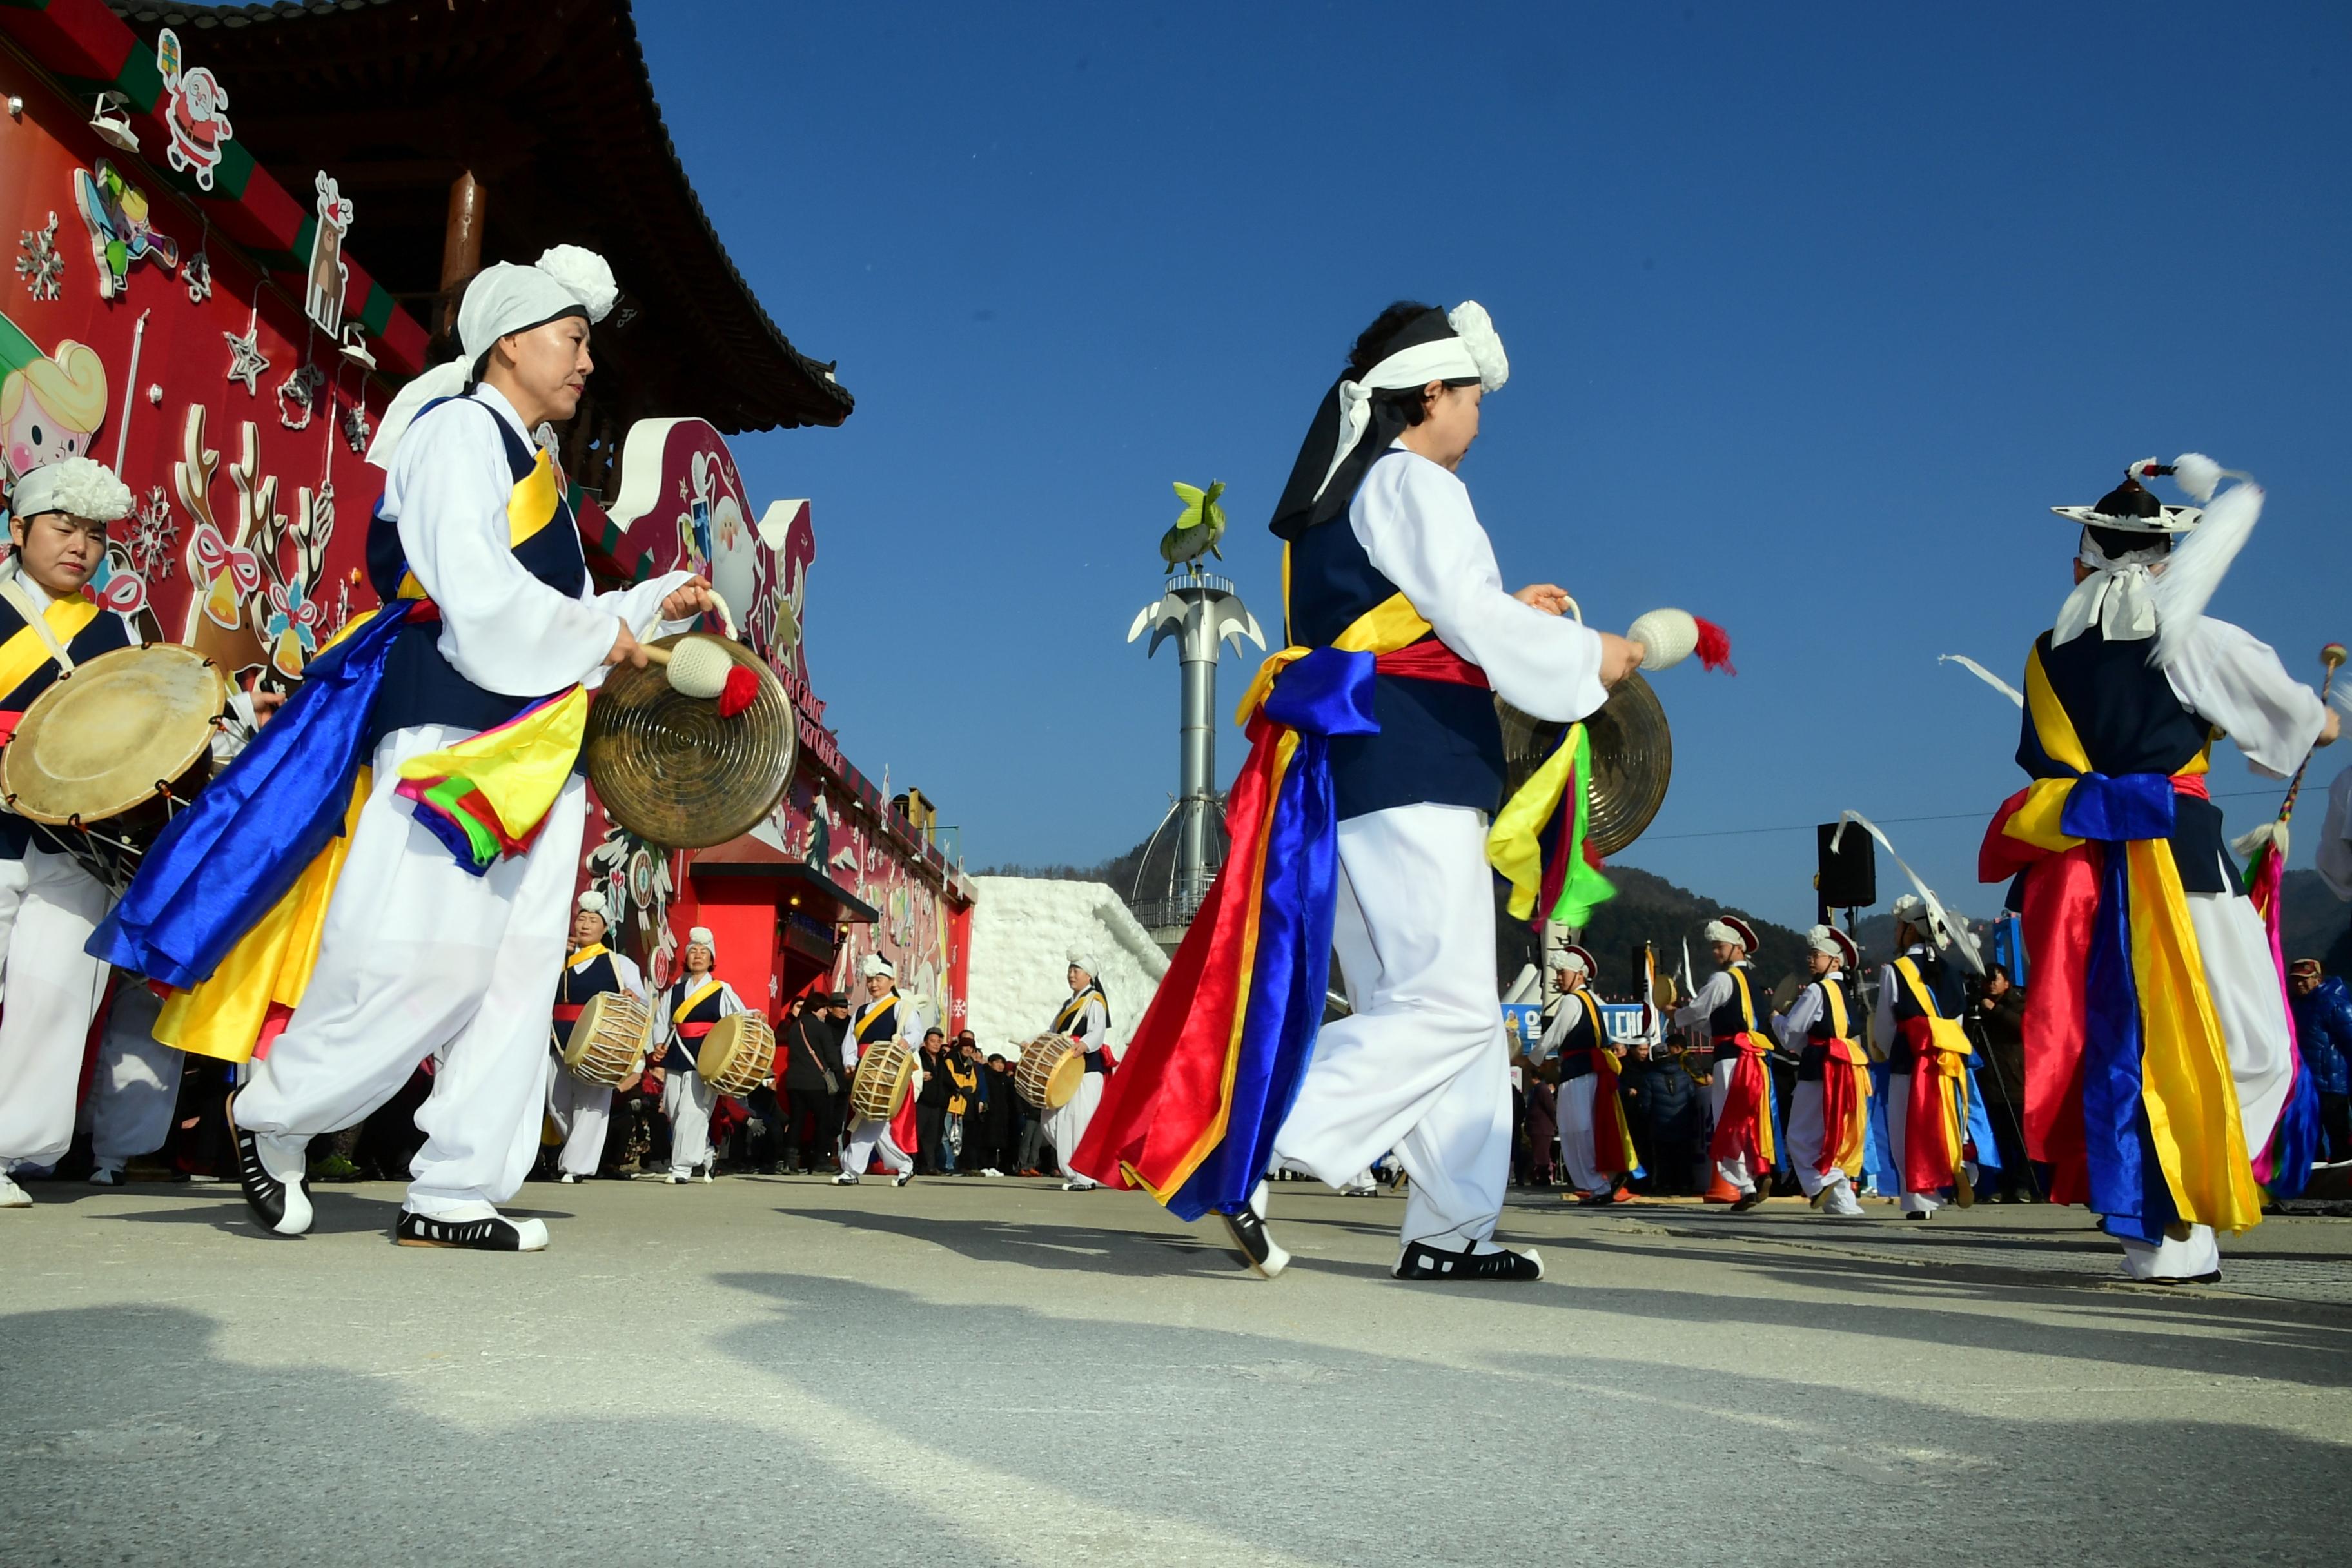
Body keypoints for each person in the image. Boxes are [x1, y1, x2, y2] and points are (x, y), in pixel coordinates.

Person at [93, 248, 714, 1249]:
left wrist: (646, 605)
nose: (587, 363)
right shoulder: (459, 433)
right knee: (425, 958)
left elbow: (555, 612)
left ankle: (457, 1188)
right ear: (510, 341)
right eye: (574, 338)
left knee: (516, 976)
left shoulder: (533, 463)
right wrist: (606, 634)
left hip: (538, 740)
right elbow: (474, 594)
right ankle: (272, 1113)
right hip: (455, 727)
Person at [1075, 301, 1643, 1283]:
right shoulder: (1413, 480)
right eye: (1471, 396)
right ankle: (1241, 1142)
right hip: (1412, 765)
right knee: (1456, 1010)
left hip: (1363, 768)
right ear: (1429, 391)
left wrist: (1509, 612)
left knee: (1422, 1009)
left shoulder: (1349, 498)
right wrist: (1593, 654)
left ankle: (1447, 1231)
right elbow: (1465, 621)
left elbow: (1414, 619)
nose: (1478, 417)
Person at [1979, 456, 2335, 1282]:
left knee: (2120, 1045)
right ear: (2164, 559)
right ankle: (2180, 1196)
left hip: (2082, 872)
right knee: (2258, 1045)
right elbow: (2292, 726)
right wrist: (2325, 722)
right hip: (2182, 865)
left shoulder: (2045, 654)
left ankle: (2160, 1231)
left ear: (2081, 562)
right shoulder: (2194, 637)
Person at [0, 459, 185, 1206]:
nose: (80, 545)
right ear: (19, 530)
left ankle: (9, 1149)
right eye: (63, 526)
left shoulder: (120, 631)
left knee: (54, 992)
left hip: (76, 844)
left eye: (95, 534)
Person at [1869, 895, 1981, 1219]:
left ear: (1911, 932)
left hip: (1910, 1057)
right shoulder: (1951, 971)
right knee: (1947, 1121)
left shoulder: (1896, 970)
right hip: (1948, 1057)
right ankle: (1958, 1164)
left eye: (1899, 927)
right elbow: (1956, 1021)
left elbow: (1886, 1025)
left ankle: (1921, 1201)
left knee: (1908, 1128)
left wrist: (1894, 1054)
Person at [1672, 915, 1775, 1212]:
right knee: (1752, 1119)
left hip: (1731, 1060)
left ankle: (1745, 1185)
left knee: (1728, 1121)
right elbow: (1718, 1023)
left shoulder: (1722, 979)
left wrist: (1675, 1015)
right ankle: (1760, 1171)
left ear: (1737, 948)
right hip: (1755, 1058)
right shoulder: (1753, 984)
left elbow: (1699, 1010)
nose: (1715, 952)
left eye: (1720, 947)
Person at [542, 890, 644, 1185]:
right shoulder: (559, 959)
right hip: (558, 1038)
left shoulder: (619, 964)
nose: (585, 925)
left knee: (590, 1104)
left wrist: (631, 997)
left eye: (593, 920)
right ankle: (580, 1152)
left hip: (598, 1043)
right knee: (556, 1102)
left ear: (605, 927)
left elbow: (639, 1005)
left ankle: (575, 1166)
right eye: (581, 919)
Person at [1776, 925, 1869, 1218]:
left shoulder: (1818, 989)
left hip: (1820, 1065)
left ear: (1835, 961)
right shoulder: (1845, 992)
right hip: (1849, 1065)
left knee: (1800, 1134)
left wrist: (1777, 1019)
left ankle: (1821, 1182)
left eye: (1816, 955)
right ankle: (1843, 1202)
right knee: (1836, 1134)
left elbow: (1792, 1031)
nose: (1810, 959)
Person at [1538, 946, 1633, 1205]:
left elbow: (1554, 1035)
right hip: (1591, 1071)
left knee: (1576, 1129)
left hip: (1579, 1072)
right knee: (1592, 1126)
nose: (1558, 978)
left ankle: (1598, 1185)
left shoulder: (1571, 1001)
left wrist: (1533, 1059)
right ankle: (1605, 1179)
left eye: (1562, 973)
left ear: (1579, 975)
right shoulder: (1590, 1000)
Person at [656, 927, 743, 1185]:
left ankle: (681, 1168)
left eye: (703, 952)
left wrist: (755, 1017)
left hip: (705, 1058)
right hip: (676, 1054)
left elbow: (739, 1018)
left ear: (711, 958)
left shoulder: (721, 989)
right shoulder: (675, 990)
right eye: (693, 950)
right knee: (676, 1112)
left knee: (692, 1112)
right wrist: (659, 1043)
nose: (698, 956)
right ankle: (706, 1152)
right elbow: (662, 1019)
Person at [837, 953, 918, 1186]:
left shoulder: (901, 1007)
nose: (873, 984)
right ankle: (905, 1165)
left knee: (871, 1119)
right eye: (871, 979)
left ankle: (851, 1170)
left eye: (879, 979)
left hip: (887, 1070)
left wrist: (905, 1042)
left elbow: (915, 1032)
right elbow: (850, 1042)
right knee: (874, 1121)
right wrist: (849, 1063)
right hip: (865, 1070)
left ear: (892, 981)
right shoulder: (861, 1011)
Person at [1047, 955, 1115, 1191]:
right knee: (1055, 1120)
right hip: (1067, 1070)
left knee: (1080, 1120)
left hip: (1087, 1068)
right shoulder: (1067, 1004)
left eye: (1077, 970)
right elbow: (1052, 1032)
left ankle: (1085, 1176)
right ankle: (1074, 1170)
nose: (1072, 974)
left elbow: (1097, 1031)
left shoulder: (1094, 1001)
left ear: (1089, 976)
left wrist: (1084, 1045)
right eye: (1070, 969)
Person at [1969, 963, 2036, 1200]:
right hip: (1988, 1083)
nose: (1991, 984)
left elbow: (2022, 1028)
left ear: (2007, 982)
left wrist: (1995, 1010)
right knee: (1997, 1139)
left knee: (2019, 1138)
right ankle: (2000, 1185)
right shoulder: (1977, 1007)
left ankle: (2024, 1185)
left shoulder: (2018, 1002)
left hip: (2014, 1082)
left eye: (1995, 979)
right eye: (1987, 980)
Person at [2288, 960, 2352, 1164]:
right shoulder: (2294, 1006)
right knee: (2308, 1131)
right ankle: (2314, 1173)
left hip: (2332, 1083)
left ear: (2318, 979)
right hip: (2305, 1083)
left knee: (2338, 1131)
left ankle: (2344, 1174)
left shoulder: (2335, 1004)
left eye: (2305, 980)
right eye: (2296, 980)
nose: (2300, 985)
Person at [779, 991, 845, 1174]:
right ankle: (820, 1161)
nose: (826, 1013)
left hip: (794, 1082)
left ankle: (789, 1161)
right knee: (824, 1121)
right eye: (824, 1009)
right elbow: (832, 1058)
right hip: (816, 1082)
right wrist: (839, 1072)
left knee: (797, 1121)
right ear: (817, 1008)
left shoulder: (795, 1027)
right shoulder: (822, 1028)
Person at [914, 1028, 952, 1175]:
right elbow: (909, 1073)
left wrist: (956, 1090)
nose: (936, 1044)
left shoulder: (942, 1061)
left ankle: (929, 1166)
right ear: (925, 1042)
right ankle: (912, 1164)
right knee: (917, 1134)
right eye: (933, 1041)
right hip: (922, 1102)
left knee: (933, 1137)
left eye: (939, 1041)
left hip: (938, 1104)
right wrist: (919, 1075)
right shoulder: (918, 1057)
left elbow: (948, 1080)